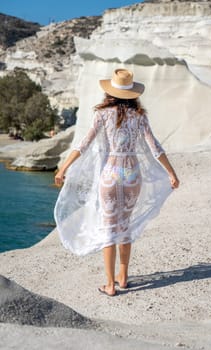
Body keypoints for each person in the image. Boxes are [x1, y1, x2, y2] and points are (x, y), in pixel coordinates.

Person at [54, 68, 179, 296]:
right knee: (125, 226)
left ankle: (110, 284)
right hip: (132, 175)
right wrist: (171, 173)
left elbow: (83, 144)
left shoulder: (103, 114)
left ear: (110, 92)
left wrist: (64, 167)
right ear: (132, 93)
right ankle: (123, 278)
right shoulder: (140, 116)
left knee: (109, 228)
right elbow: (155, 148)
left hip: (111, 174)